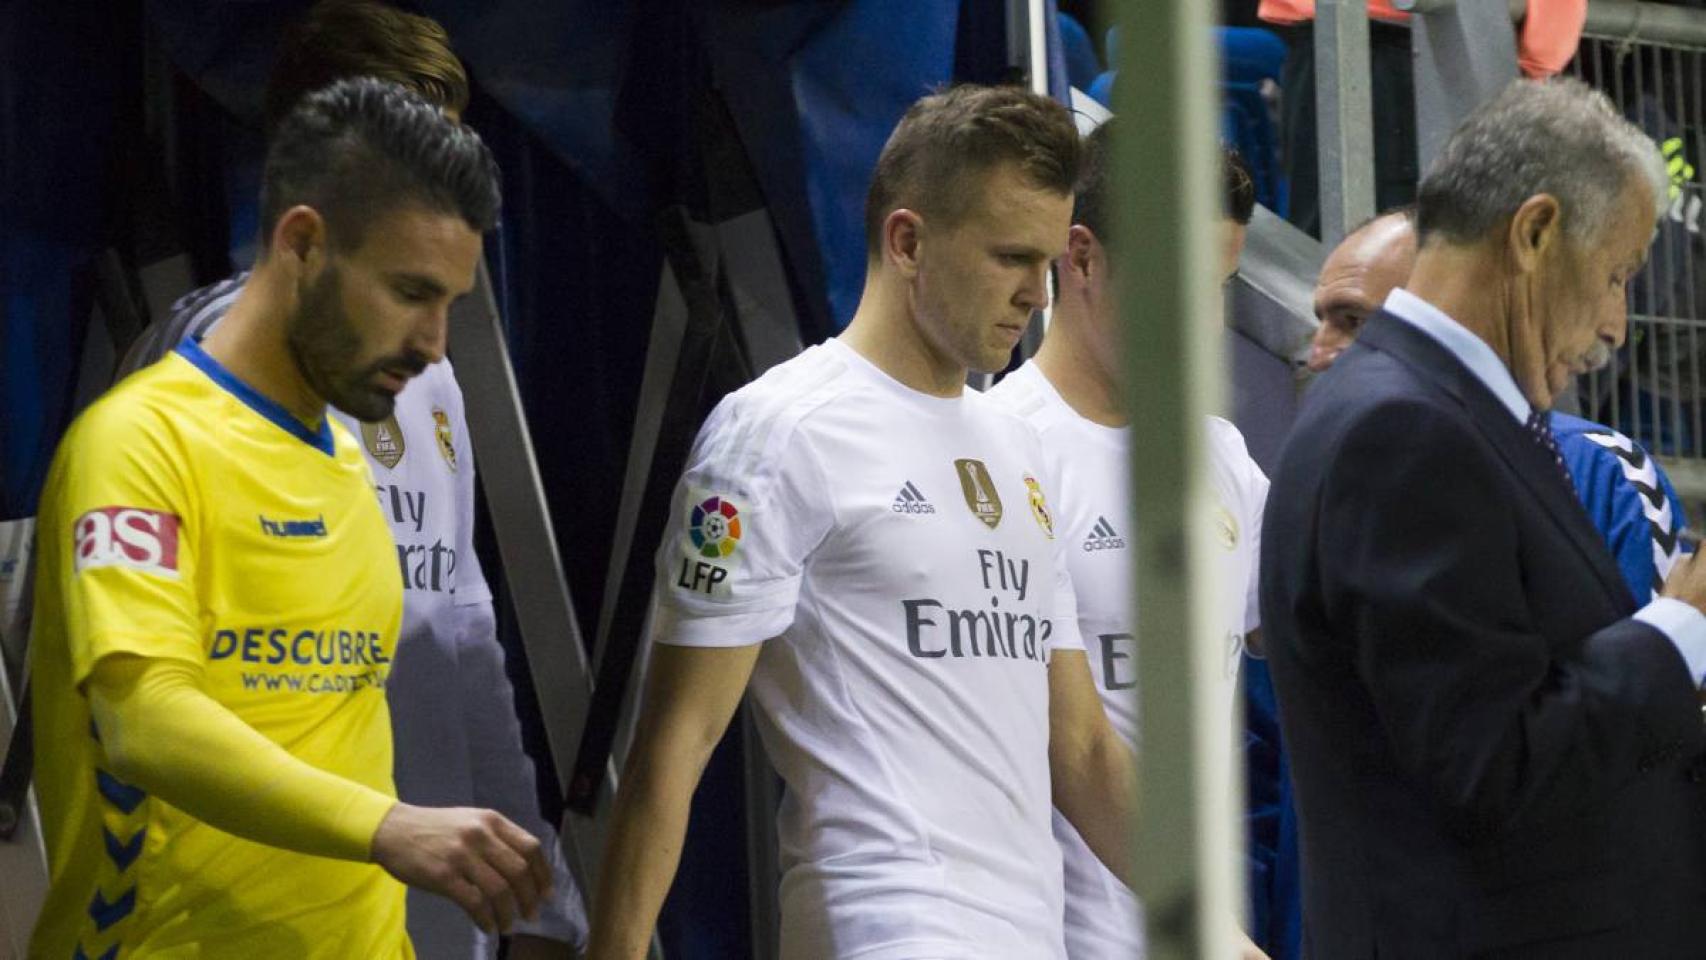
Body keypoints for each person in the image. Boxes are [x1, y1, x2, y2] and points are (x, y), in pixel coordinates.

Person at [586, 84, 1136, 960]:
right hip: (884, 928)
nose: (1038, 294)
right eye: (1010, 258)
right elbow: (675, 742)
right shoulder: (780, 433)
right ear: (907, 242)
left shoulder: (1017, 448)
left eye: (1046, 263)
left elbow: (1082, 748)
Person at [28, 78, 550, 960]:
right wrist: (389, 827)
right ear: (303, 242)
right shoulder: (139, 443)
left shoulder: (344, 457)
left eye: (449, 305)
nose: (433, 343)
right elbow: (143, 721)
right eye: (409, 292)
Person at [1262, 77, 1706, 956]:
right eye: (1616, 275)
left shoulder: (1447, 418)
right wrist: (1680, 628)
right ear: (1535, 232)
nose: (1617, 324)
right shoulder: (1403, 432)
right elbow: (1491, 764)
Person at [987, 123, 1272, 960]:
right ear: (1081, 258)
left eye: (1221, 286)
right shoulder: (1001, 452)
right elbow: (1074, 749)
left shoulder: (1221, 456)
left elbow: (1328, 649)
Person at [1308, 208, 1690, 603]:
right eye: (1320, 321)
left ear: (1449, 316)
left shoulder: (1602, 474)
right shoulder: (1307, 478)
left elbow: (1662, 643)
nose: (1316, 355)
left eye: (1355, 321)